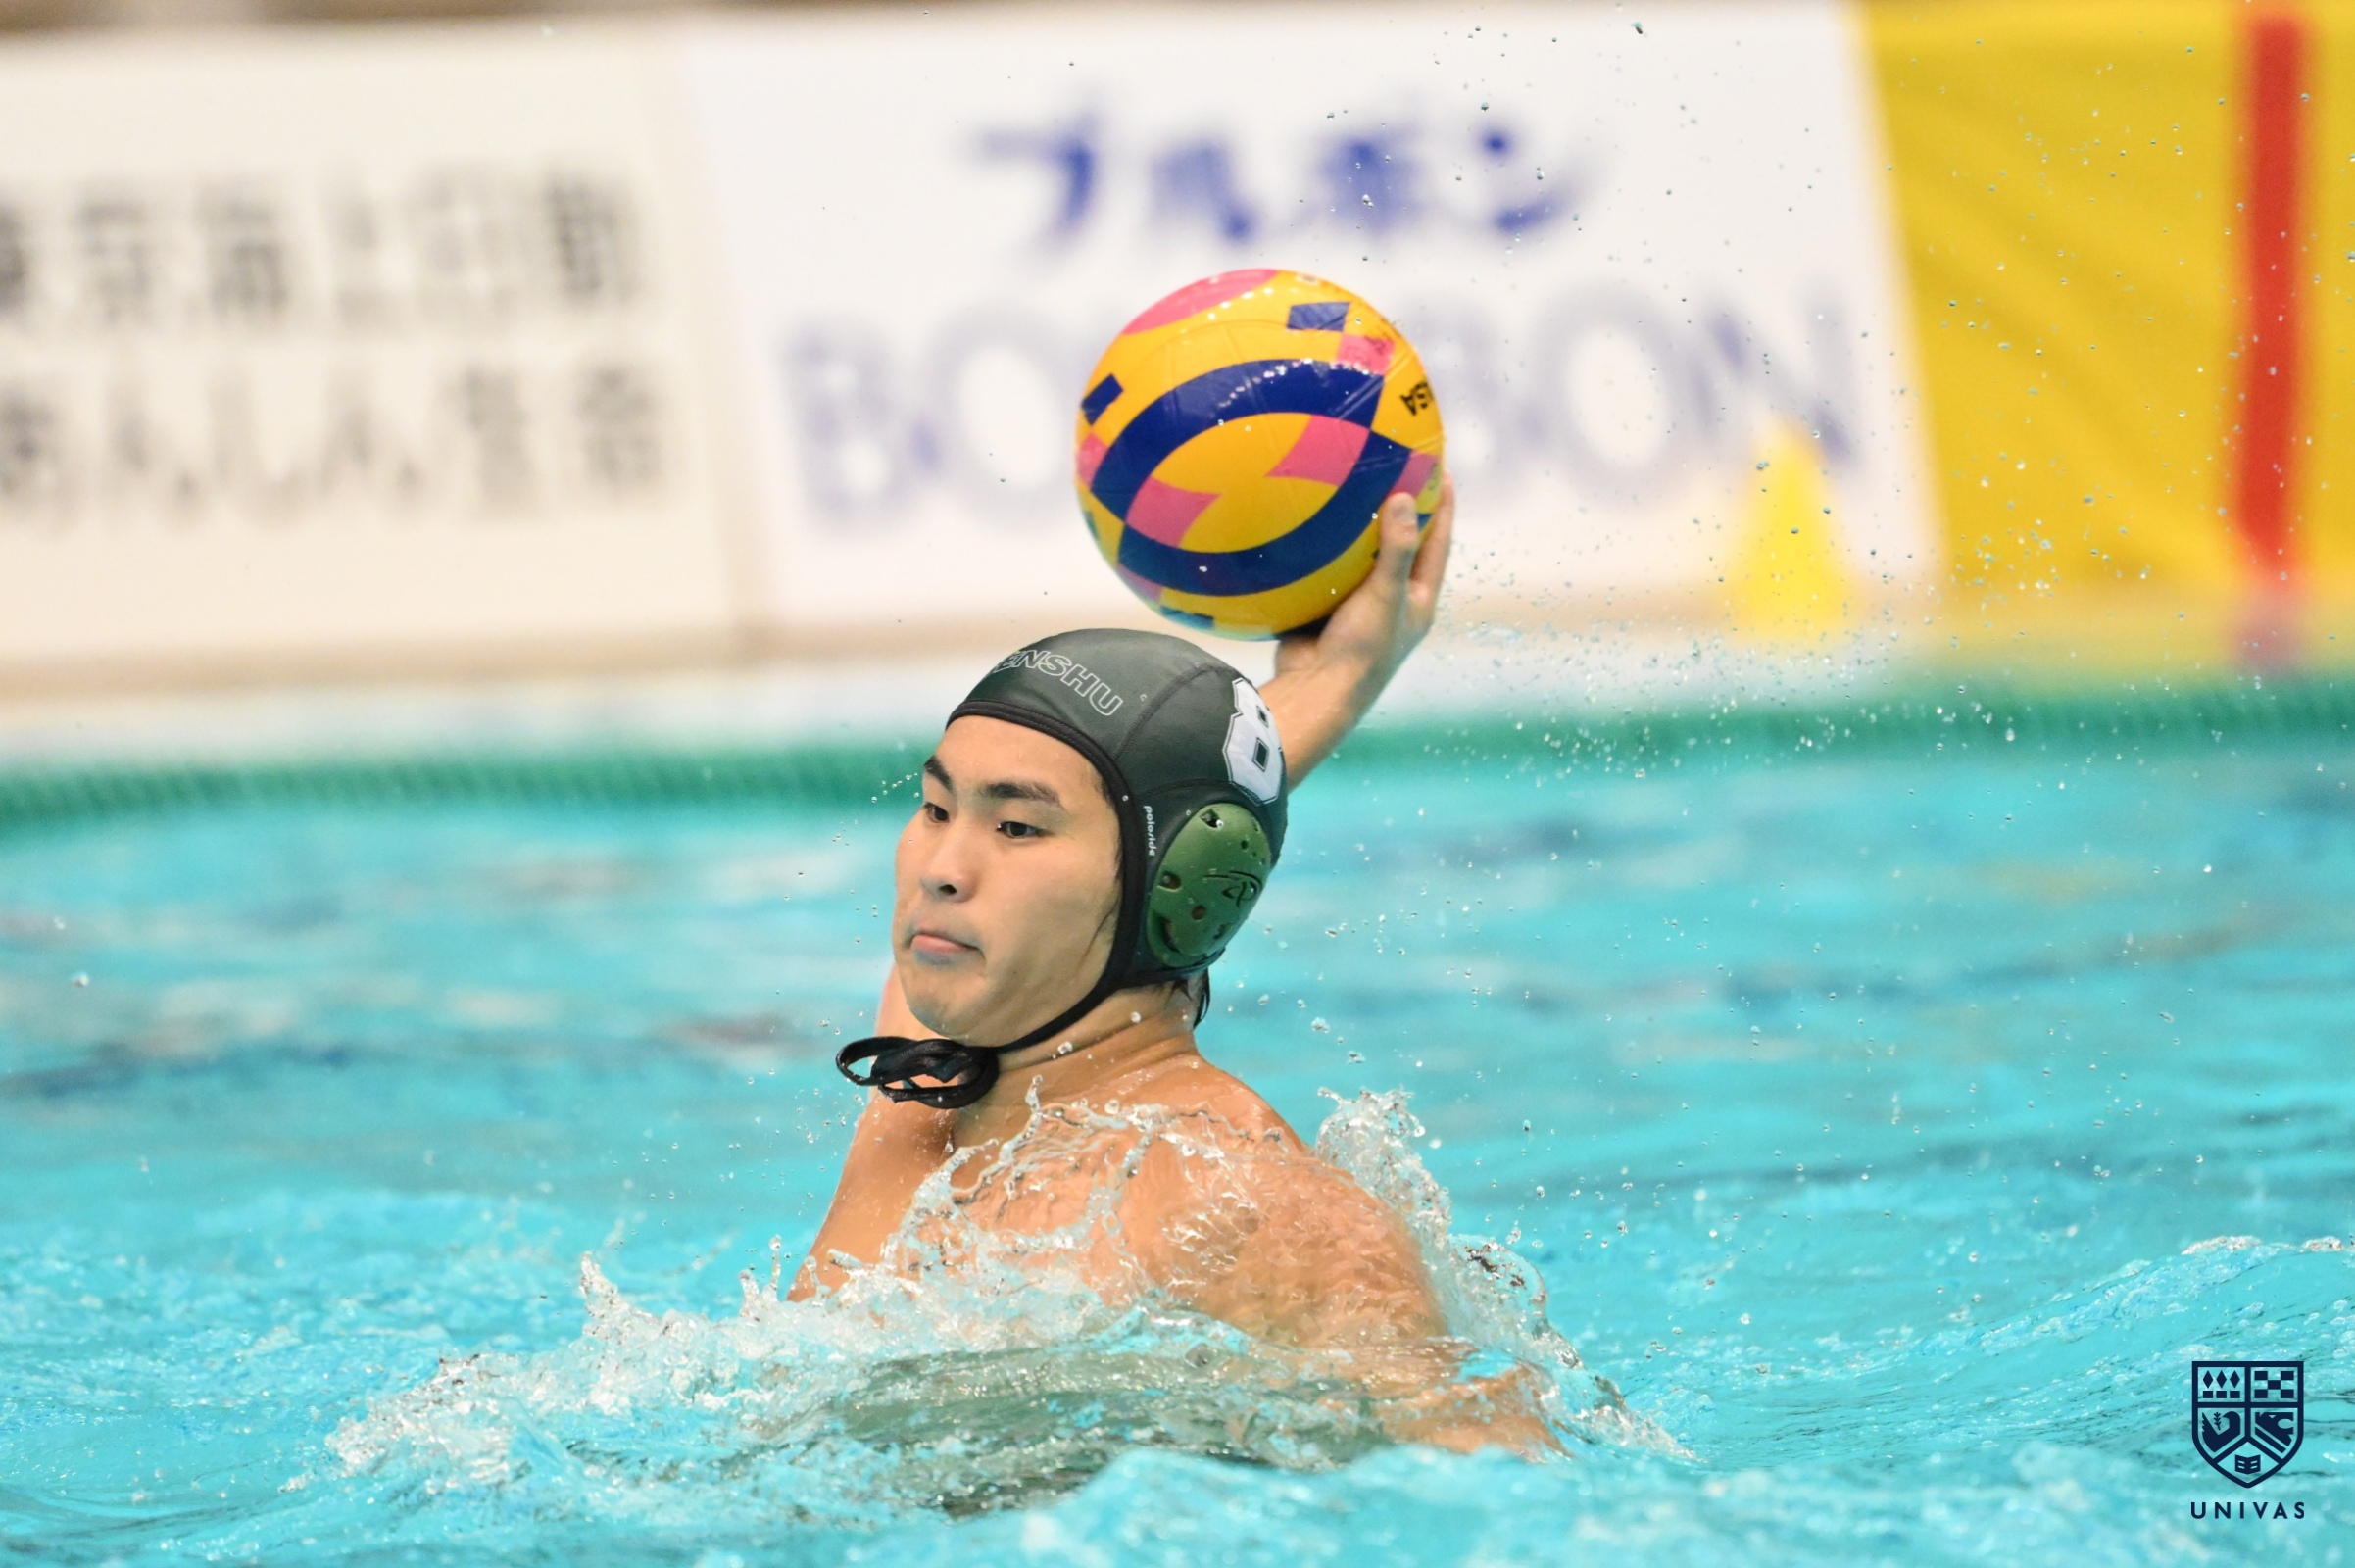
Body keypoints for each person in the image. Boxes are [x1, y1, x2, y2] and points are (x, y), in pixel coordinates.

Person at [792, 482, 1549, 1451]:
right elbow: (1172, 818)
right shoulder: (931, 1066)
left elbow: (1495, 1477)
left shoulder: (1246, 1201)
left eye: (1016, 827)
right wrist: (1339, 677)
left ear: (1177, 885)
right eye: (936, 808)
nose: (941, 867)